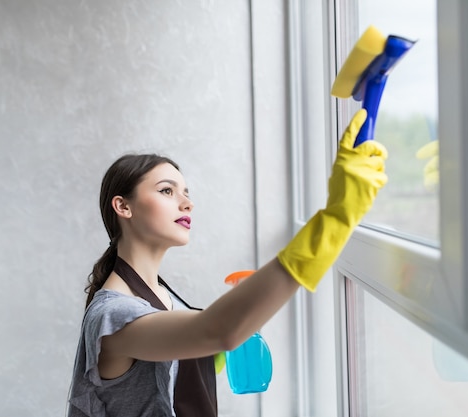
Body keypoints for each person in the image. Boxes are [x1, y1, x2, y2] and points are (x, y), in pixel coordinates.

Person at [66, 109, 388, 417]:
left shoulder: (163, 295)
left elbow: (182, 358)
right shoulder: (113, 315)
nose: (187, 203)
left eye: (186, 193)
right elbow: (215, 331)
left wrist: (238, 321)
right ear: (123, 207)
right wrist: (336, 217)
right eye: (167, 190)